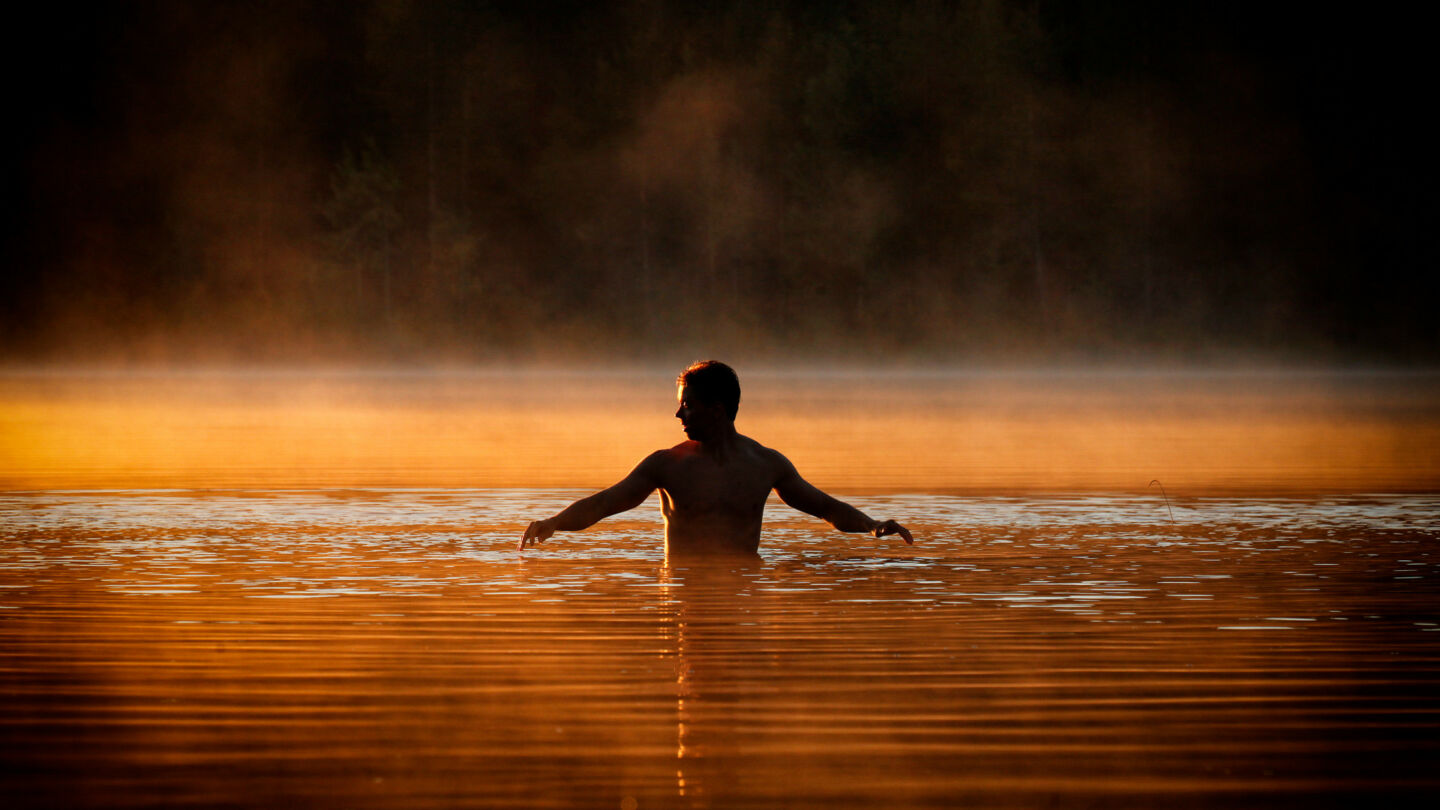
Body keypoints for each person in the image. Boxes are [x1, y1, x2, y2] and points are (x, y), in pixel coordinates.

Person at [519, 360, 913, 555]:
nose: (678, 415)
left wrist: (872, 525)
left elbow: (826, 507)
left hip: (743, 594)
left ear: (717, 409)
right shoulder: (666, 465)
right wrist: (554, 523)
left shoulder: (766, 465)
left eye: (687, 406)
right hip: (680, 597)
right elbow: (605, 502)